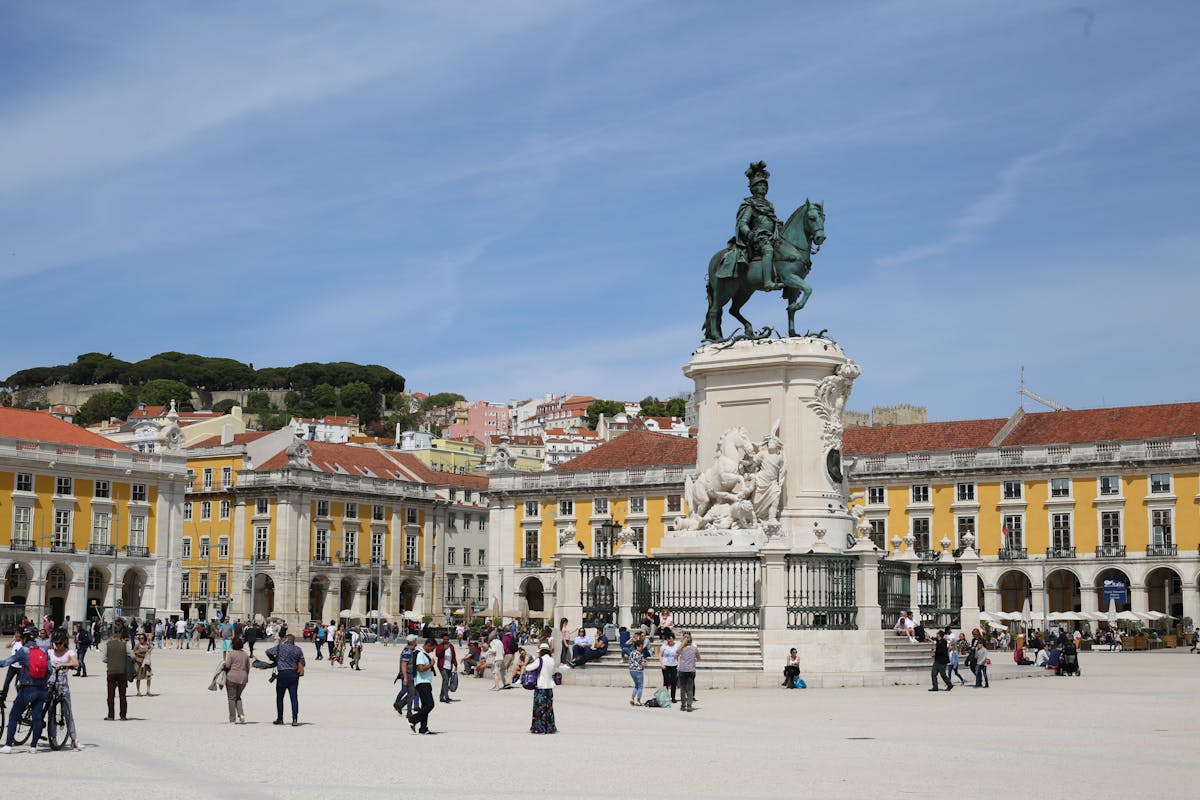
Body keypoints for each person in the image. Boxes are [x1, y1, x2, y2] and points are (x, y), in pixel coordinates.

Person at [720, 160, 784, 290]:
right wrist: (750, 234)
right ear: (753, 187)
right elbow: (742, 223)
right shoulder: (750, 204)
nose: (763, 187)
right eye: (760, 185)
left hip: (772, 237)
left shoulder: (769, 205)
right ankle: (768, 282)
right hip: (758, 239)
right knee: (768, 250)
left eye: (765, 185)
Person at [0, 627, 50, 753]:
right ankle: (33, 747)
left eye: (22, 638)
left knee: (13, 715)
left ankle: (8, 745)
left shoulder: (23, 651)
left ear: (25, 638)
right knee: (37, 717)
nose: (21, 640)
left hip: (27, 688)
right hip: (41, 689)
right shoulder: (43, 651)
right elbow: (49, 670)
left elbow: (7, 662)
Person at [47, 628, 80, 749]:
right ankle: (53, 737)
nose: (58, 646)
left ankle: (73, 738)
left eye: (60, 643)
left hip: (63, 684)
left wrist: (63, 665)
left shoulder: (69, 652)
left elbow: (76, 663)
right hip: (50, 683)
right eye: (56, 643)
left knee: (67, 712)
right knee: (51, 712)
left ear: (65, 642)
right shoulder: (50, 652)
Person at [265, 634, 305, 726]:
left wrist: (275, 659)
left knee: (280, 697)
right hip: (293, 674)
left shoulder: (280, 647)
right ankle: (295, 719)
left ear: (286, 639)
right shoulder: (298, 649)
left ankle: (280, 718)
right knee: (294, 697)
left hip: (282, 674)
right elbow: (303, 662)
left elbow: (268, 651)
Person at [102, 626, 134, 720]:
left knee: (111, 695)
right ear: (120, 637)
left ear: (112, 637)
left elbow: (103, 658)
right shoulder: (124, 645)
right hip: (122, 672)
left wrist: (111, 661)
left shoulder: (108, 645)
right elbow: (132, 656)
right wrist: (124, 659)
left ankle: (111, 715)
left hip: (111, 672)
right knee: (122, 695)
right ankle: (123, 715)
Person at [407, 638, 437, 735]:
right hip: (422, 683)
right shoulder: (420, 654)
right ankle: (413, 719)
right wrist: (431, 664)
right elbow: (420, 668)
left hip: (425, 682)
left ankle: (423, 728)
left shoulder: (423, 654)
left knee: (425, 706)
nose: (433, 650)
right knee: (430, 704)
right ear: (428, 645)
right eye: (432, 648)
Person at [526, 641, 557, 734]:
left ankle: (539, 727)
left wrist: (536, 658)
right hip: (550, 686)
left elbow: (528, 668)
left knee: (539, 708)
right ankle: (549, 727)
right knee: (549, 707)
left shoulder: (540, 660)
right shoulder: (552, 660)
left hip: (541, 686)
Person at [223, 637, 251, 724]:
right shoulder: (245, 654)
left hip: (232, 677)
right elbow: (248, 667)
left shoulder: (231, 654)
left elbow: (227, 665)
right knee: (238, 697)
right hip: (243, 678)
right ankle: (241, 714)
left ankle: (232, 718)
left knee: (231, 698)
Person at [394, 634, 420, 715]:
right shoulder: (407, 651)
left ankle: (401, 706)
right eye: (415, 640)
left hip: (409, 674)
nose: (416, 642)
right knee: (411, 692)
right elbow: (404, 664)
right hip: (407, 674)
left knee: (412, 693)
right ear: (413, 642)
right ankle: (402, 707)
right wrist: (405, 677)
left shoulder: (411, 650)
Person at [627, 630, 650, 705]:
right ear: (637, 646)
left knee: (636, 686)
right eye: (641, 646)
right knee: (640, 686)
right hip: (638, 671)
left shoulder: (631, 653)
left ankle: (632, 698)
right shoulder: (639, 654)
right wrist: (646, 664)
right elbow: (642, 663)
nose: (642, 648)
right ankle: (638, 700)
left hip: (631, 670)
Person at [677, 632, 699, 712]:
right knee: (690, 689)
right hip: (691, 670)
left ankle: (683, 705)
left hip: (682, 670)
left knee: (683, 688)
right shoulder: (694, 648)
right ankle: (689, 706)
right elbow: (698, 658)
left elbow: (677, 653)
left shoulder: (681, 648)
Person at [659, 631, 680, 704]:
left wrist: (678, 665)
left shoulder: (677, 645)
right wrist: (662, 664)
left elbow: (679, 655)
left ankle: (673, 697)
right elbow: (660, 655)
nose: (669, 641)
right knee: (666, 682)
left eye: (670, 639)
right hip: (666, 665)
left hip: (674, 665)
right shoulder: (664, 646)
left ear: (673, 639)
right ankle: (665, 697)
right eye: (668, 639)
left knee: (674, 682)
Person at [435, 633, 457, 703]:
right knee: (446, 680)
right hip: (442, 666)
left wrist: (455, 664)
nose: (446, 640)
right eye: (444, 639)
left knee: (445, 681)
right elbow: (437, 655)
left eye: (447, 639)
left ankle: (441, 696)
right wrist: (443, 649)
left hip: (449, 666)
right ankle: (446, 697)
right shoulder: (440, 646)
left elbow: (453, 656)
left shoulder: (451, 646)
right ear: (442, 639)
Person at [133, 632, 154, 696]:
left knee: (148, 677)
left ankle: (148, 691)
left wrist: (149, 639)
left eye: (142, 638)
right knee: (138, 678)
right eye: (140, 638)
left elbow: (151, 648)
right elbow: (134, 652)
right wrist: (141, 651)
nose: (141, 639)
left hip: (146, 662)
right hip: (139, 662)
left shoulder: (147, 645)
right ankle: (138, 692)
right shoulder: (137, 645)